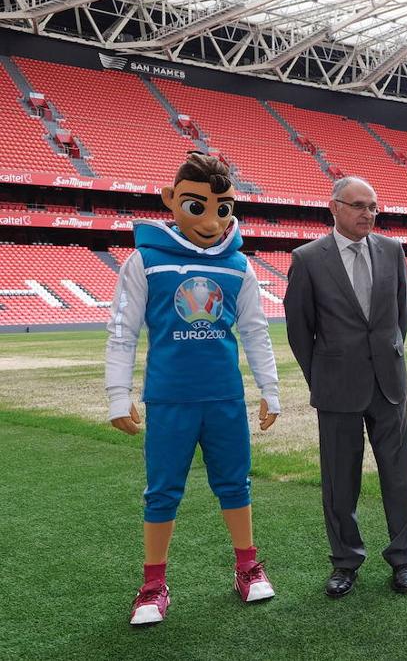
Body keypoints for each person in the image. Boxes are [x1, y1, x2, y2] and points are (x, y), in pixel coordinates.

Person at [105, 151, 280, 625]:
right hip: (169, 398)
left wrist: (271, 388)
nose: (212, 219)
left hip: (224, 397)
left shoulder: (238, 265)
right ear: (170, 201)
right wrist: (117, 395)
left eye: (222, 209)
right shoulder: (146, 259)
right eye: (197, 206)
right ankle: (152, 585)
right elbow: (122, 330)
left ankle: (247, 567)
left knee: (234, 484)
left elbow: (255, 331)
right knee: (162, 491)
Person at [284, 176, 407, 597]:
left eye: (374, 206)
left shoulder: (392, 251)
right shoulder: (307, 259)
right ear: (335, 208)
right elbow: (299, 330)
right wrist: (322, 373)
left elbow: (401, 316)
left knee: (398, 477)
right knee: (340, 482)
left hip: (388, 384)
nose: (368, 214)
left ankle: (403, 559)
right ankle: (345, 561)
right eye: (359, 206)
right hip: (336, 387)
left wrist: (388, 356)